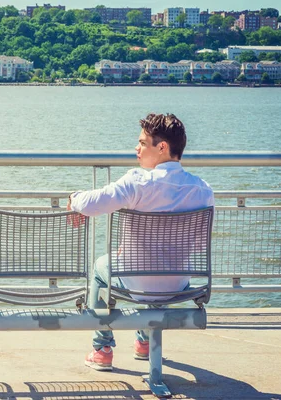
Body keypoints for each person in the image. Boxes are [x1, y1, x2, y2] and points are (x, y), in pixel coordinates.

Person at [67, 113, 214, 371]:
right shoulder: (203, 190)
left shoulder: (137, 182)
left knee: (101, 268)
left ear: (162, 147)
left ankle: (102, 348)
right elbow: (200, 245)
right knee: (156, 263)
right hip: (179, 284)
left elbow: (94, 203)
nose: (137, 148)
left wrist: (74, 198)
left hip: (137, 281)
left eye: (143, 143)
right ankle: (144, 342)